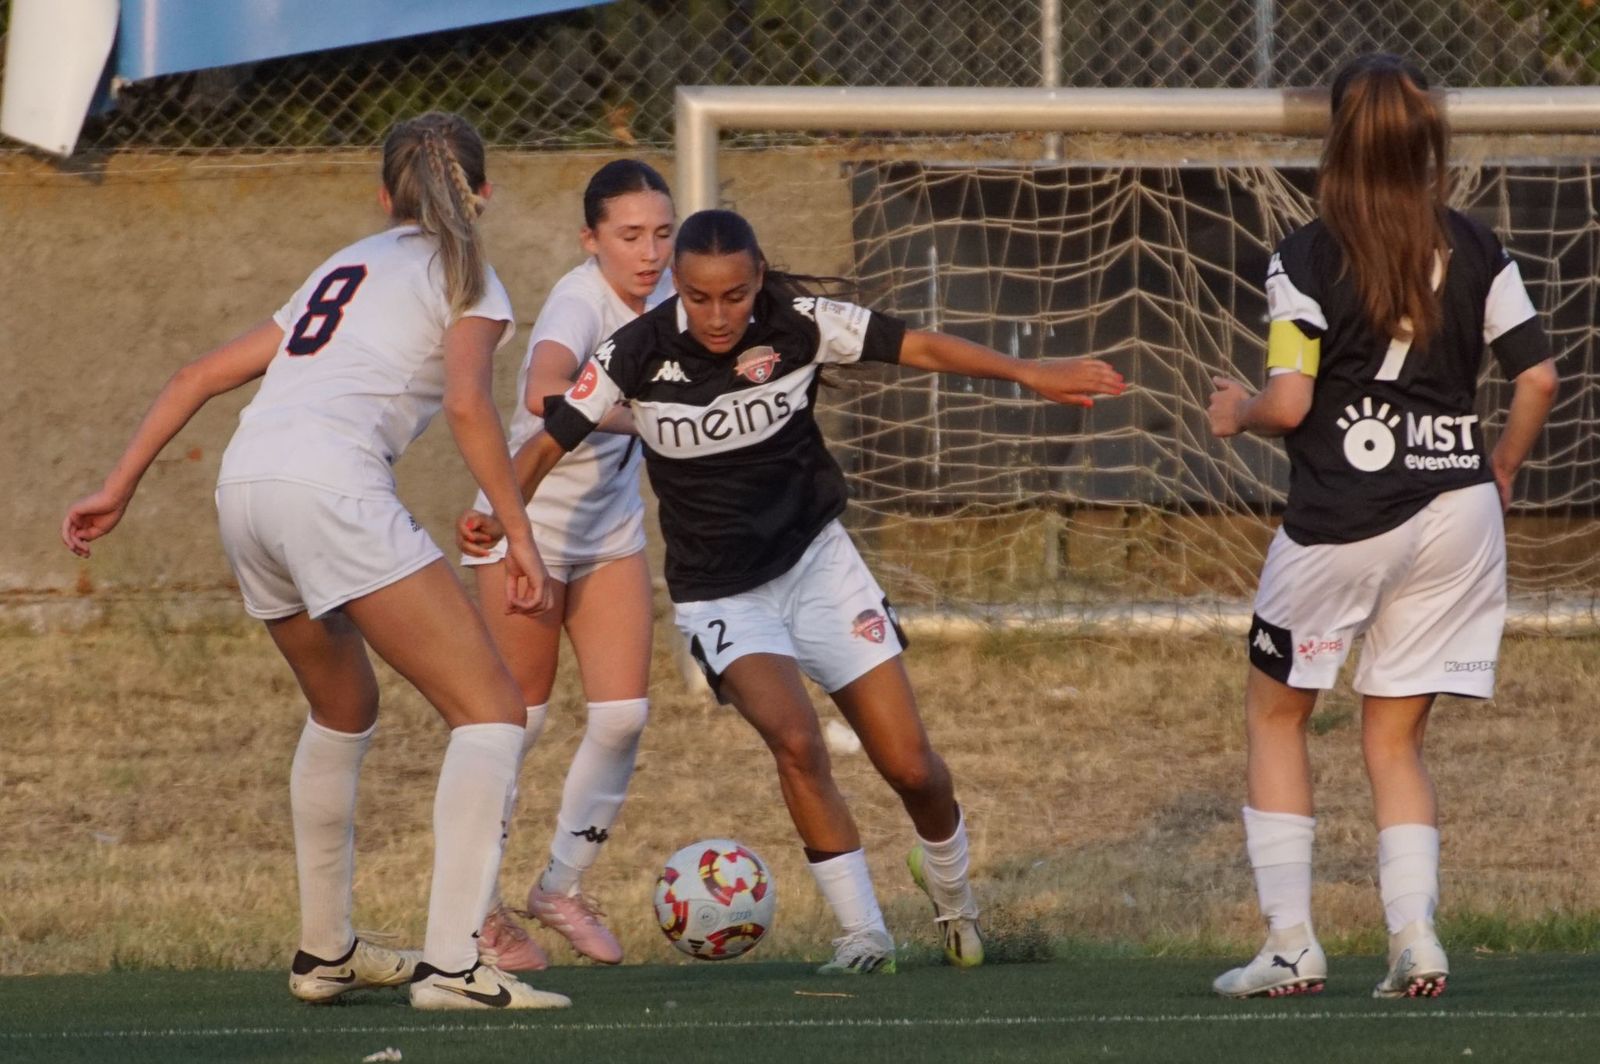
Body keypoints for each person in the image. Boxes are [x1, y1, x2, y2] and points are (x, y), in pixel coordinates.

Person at [460, 207, 1125, 974]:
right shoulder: (634, 353)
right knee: (798, 742)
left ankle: (954, 902)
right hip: (720, 594)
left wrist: (1028, 371)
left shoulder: (802, 322)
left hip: (819, 565)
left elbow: (918, 345)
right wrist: (494, 516)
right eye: (701, 298)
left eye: (736, 296)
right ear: (678, 285)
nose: (719, 315)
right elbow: (547, 441)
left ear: (759, 279)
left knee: (910, 766)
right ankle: (863, 935)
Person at [60, 112, 572, 1011]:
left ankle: (325, 951)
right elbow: (466, 405)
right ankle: (455, 966)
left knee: (344, 706)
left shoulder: (347, 261)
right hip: (328, 489)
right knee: (490, 712)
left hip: (245, 486)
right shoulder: (470, 277)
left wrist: (117, 486)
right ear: (482, 196)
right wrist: (521, 532)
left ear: (383, 197)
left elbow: (197, 375)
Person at [1206, 55, 1559, 1000]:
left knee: (1278, 715)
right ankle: (1417, 939)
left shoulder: (1306, 255)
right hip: (1458, 515)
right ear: (1427, 141)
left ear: (1335, 144)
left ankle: (1291, 946)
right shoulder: (1478, 244)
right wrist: (1505, 466)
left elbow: (1289, 402)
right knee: (1395, 741)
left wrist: (1235, 409)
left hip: (1343, 521)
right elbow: (1539, 378)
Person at [461, 160, 674, 971]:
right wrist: (648, 416)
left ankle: (558, 887)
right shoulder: (578, 300)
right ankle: (477, 910)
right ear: (592, 241)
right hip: (530, 526)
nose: (648, 252)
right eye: (628, 236)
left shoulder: (677, 300)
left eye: (661, 233)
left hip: (610, 532)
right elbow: (551, 388)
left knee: (622, 717)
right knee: (519, 722)